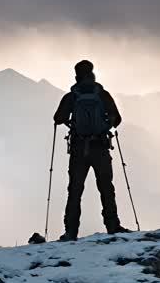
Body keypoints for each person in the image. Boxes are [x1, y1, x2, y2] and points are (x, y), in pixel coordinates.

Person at [52, 59, 128, 241]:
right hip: (100, 147)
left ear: (77, 75)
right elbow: (117, 120)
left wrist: (72, 121)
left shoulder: (72, 97)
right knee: (106, 188)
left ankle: (71, 232)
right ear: (93, 74)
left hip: (79, 149)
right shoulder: (102, 95)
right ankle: (113, 226)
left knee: (75, 190)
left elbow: (58, 118)